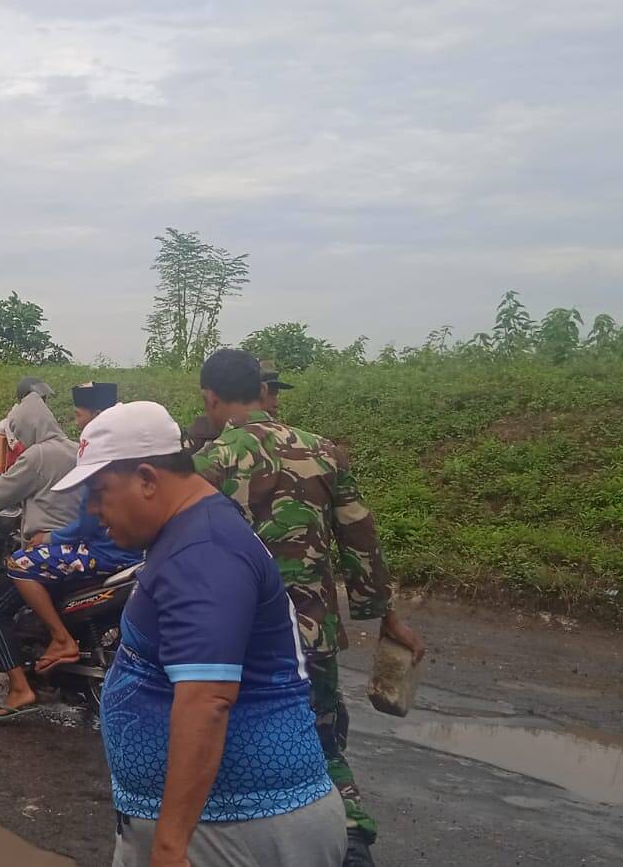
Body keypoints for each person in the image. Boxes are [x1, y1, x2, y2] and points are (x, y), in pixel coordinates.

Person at [52, 401, 345, 867]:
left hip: (234, 829)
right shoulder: (190, 533)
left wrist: (170, 845)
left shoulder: (203, 551)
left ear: (148, 479)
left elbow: (208, 698)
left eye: (99, 491)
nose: (92, 510)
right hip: (217, 824)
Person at [192, 348, 425, 867]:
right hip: (313, 635)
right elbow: (361, 542)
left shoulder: (208, 462)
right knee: (320, 739)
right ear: (262, 390)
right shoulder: (323, 451)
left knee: (236, 743)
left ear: (210, 398)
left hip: (243, 640)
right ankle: (352, 841)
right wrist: (386, 617)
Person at [0, 381, 143, 722]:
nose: (76, 418)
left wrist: (52, 539)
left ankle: (60, 639)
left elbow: (87, 522)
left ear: (98, 415)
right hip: (128, 553)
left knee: (20, 562)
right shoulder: (122, 451)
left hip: (103, 552)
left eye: (81, 413)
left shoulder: (95, 454)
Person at [0, 391, 80, 546]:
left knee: (14, 566)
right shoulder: (76, 449)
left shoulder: (38, 455)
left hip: (48, 541)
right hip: (78, 537)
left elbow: (3, 490)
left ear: (26, 428)